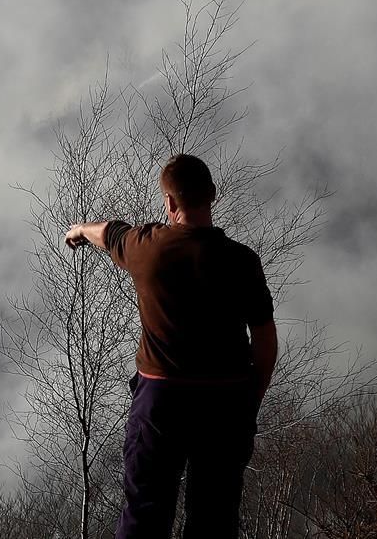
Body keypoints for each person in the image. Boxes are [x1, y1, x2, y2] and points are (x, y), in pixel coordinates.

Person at [65, 154, 278, 539]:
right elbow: (265, 339)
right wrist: (251, 399)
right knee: (214, 519)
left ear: (169, 203)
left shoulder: (148, 248)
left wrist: (80, 229)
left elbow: (109, 231)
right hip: (227, 402)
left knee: (145, 513)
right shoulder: (243, 261)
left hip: (161, 401)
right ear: (212, 194)